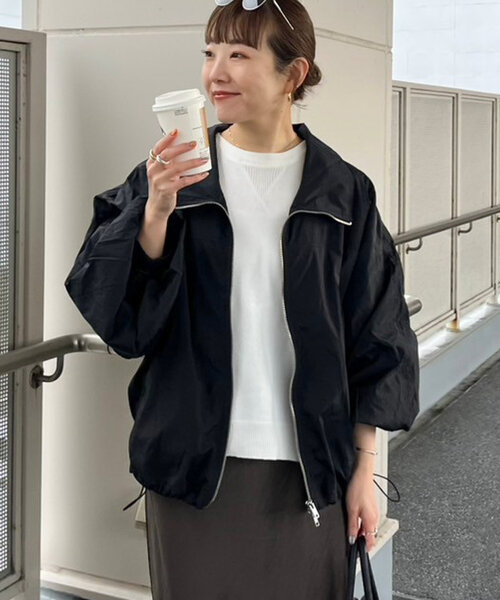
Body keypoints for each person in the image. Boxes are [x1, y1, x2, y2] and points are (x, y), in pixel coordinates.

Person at [64, 0, 420, 598]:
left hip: (310, 466)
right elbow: (121, 318)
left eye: (238, 54)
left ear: (293, 73)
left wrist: (367, 467)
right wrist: (154, 212)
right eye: (210, 53)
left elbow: (378, 332)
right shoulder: (173, 176)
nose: (215, 72)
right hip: (193, 461)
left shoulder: (343, 192)